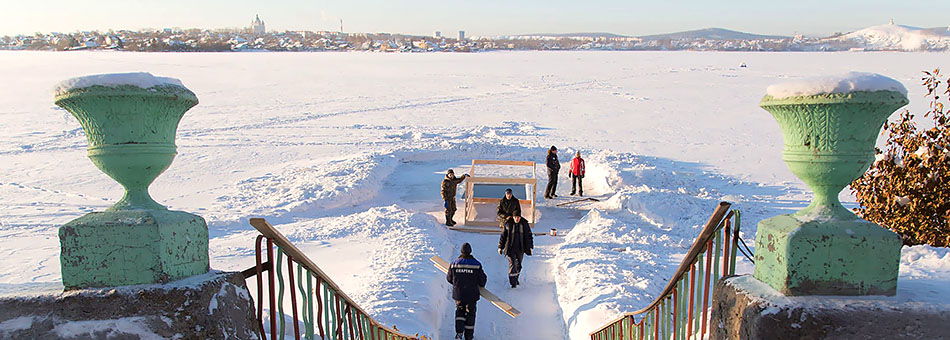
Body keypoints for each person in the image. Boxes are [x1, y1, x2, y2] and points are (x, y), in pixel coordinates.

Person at [446, 242, 487, 340]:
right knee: (470, 314)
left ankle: (459, 332)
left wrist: (457, 284)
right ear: (470, 251)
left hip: (459, 294)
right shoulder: (476, 264)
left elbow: (449, 278)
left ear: (461, 251)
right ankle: (469, 336)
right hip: (472, 295)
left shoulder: (454, 263)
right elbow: (482, 281)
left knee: (460, 312)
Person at [498, 211, 533, 288]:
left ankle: (516, 278)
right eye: (515, 217)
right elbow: (503, 236)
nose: (517, 219)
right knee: (513, 264)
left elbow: (529, 236)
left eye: (518, 217)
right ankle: (513, 282)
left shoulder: (524, 224)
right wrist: (500, 247)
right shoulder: (508, 224)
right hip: (510, 248)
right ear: (513, 217)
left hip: (520, 248)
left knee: (519, 265)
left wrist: (530, 247)